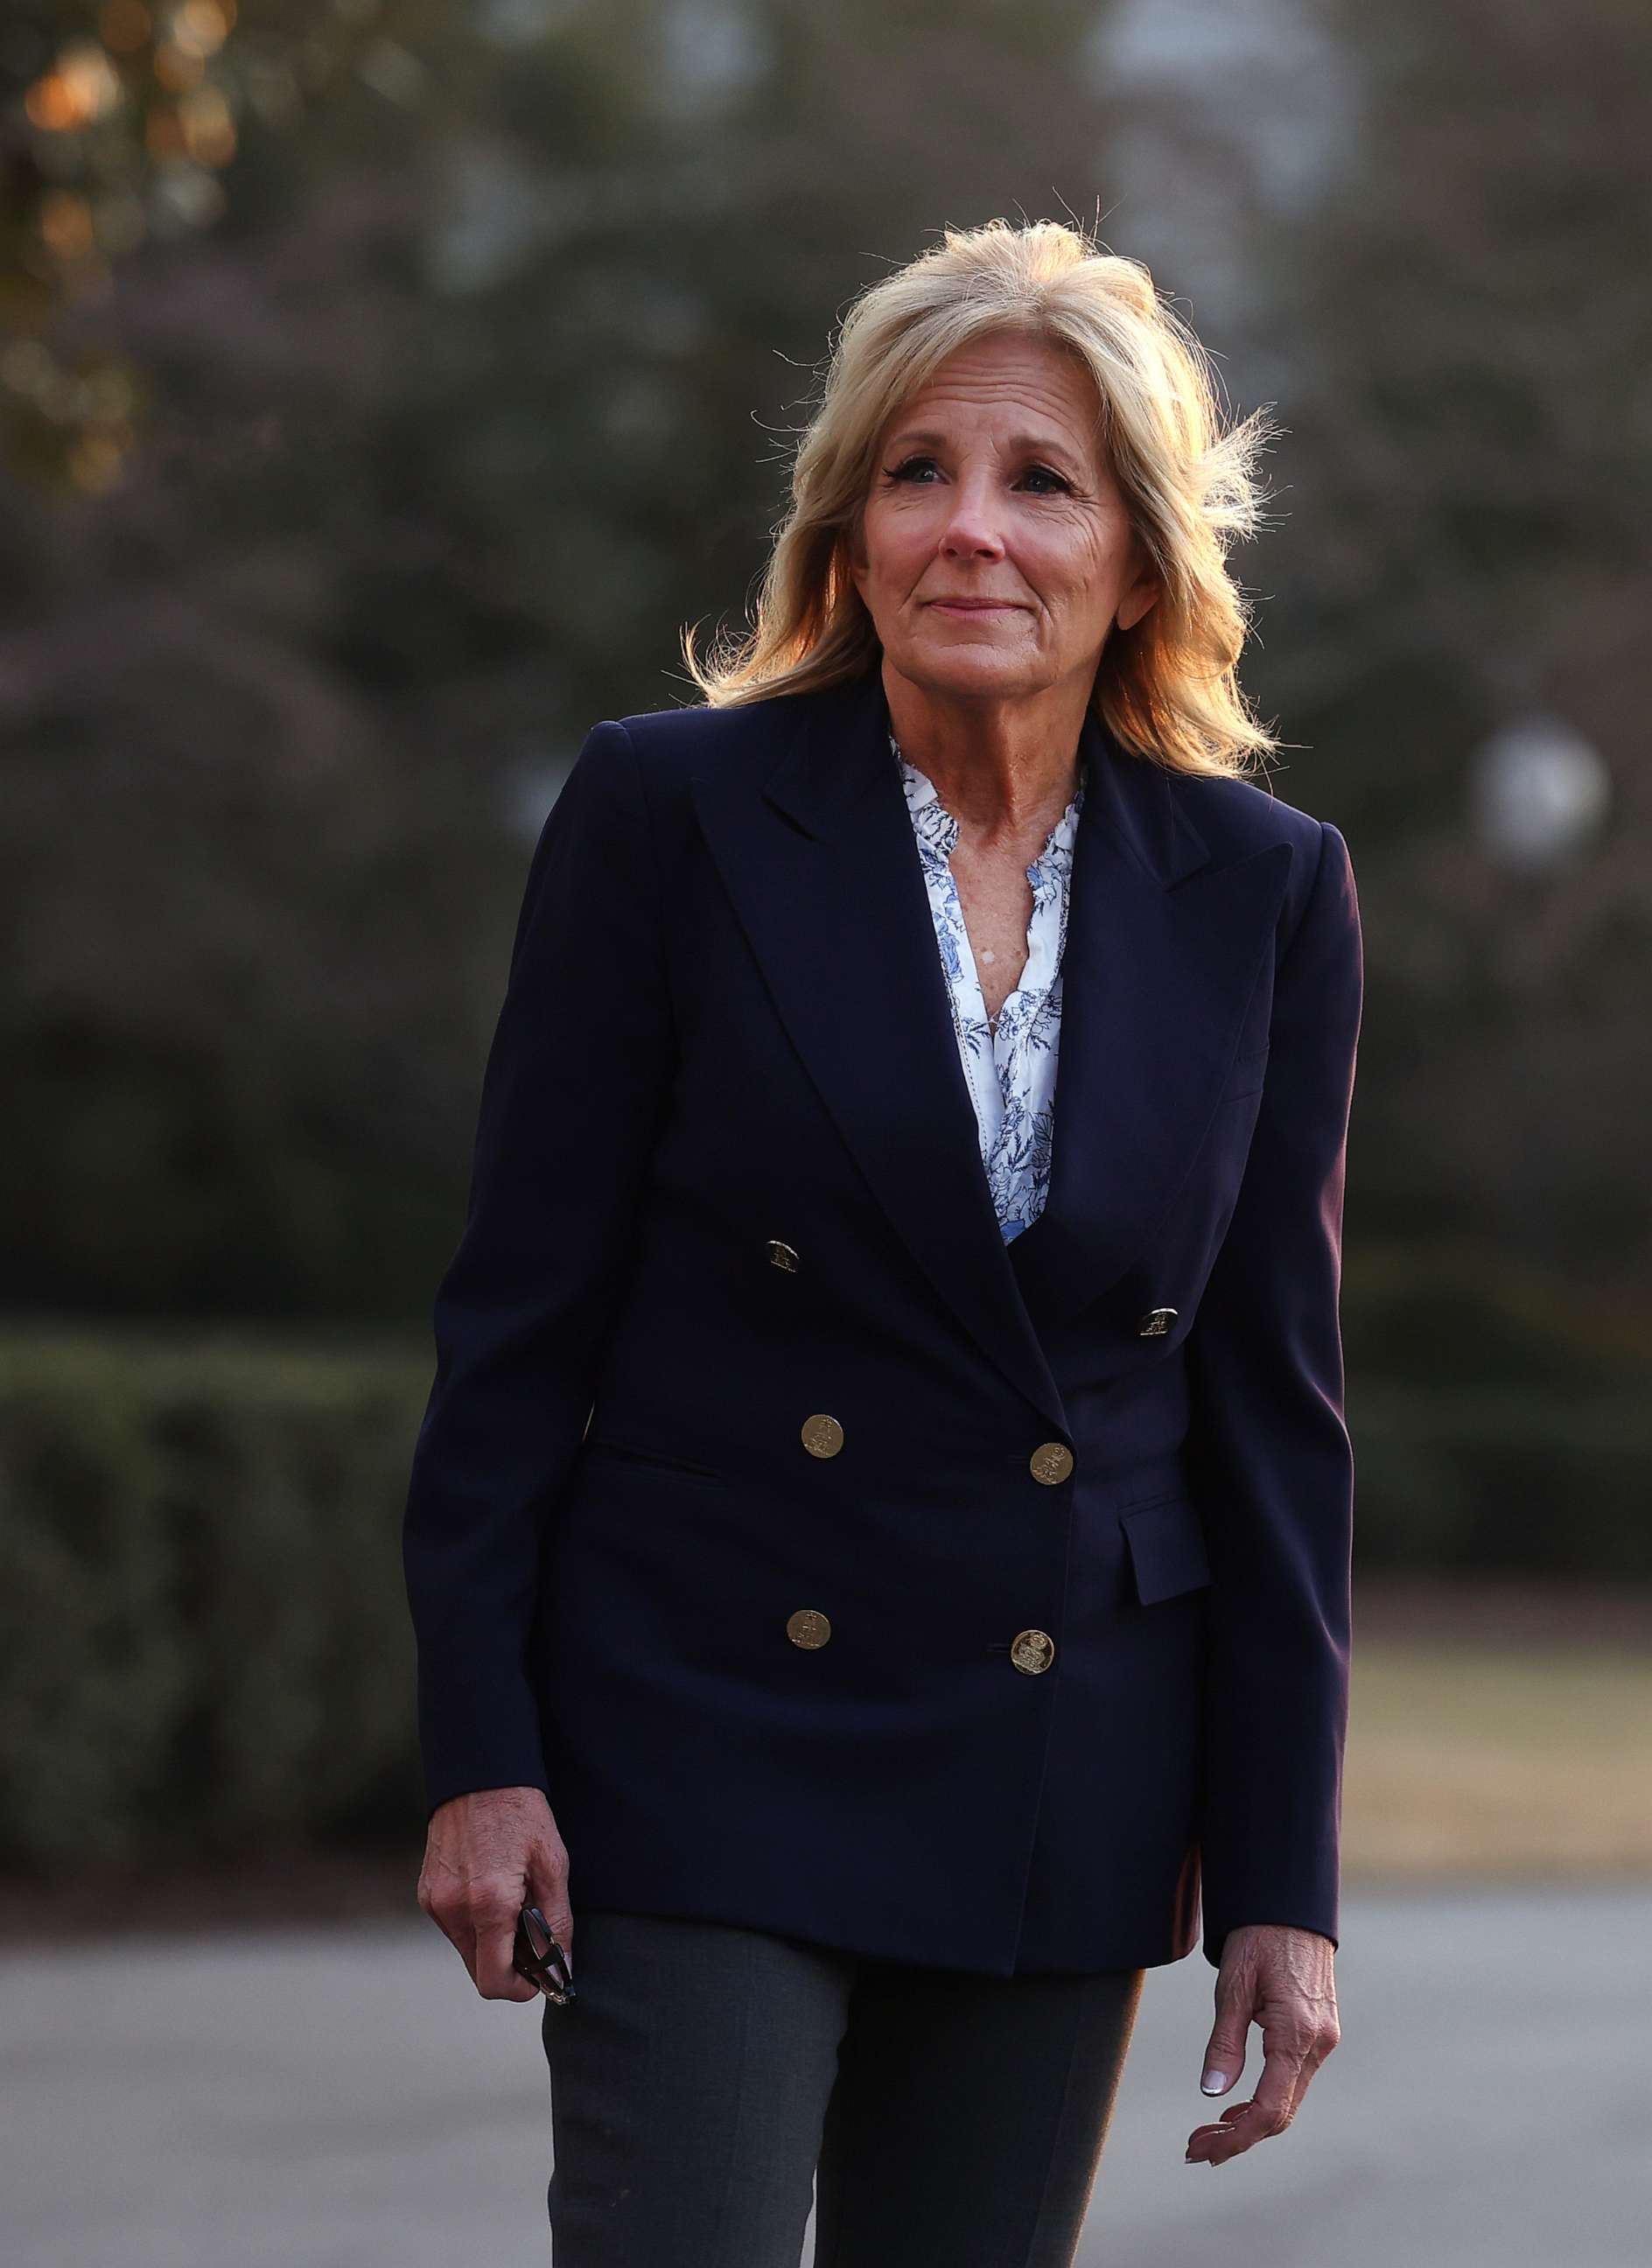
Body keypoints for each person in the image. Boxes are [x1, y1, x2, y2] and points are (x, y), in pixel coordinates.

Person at [402, 216, 1362, 2268]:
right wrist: (482, 1756)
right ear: (843, 530)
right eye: (914, 471)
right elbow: (515, 1329)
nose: (969, 533)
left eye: (1040, 481)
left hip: (1063, 1759)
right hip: (701, 1723)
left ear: (1139, 557)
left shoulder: (1263, 890)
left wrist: (1283, 1879)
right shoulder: (673, 814)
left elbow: (1271, 1417)